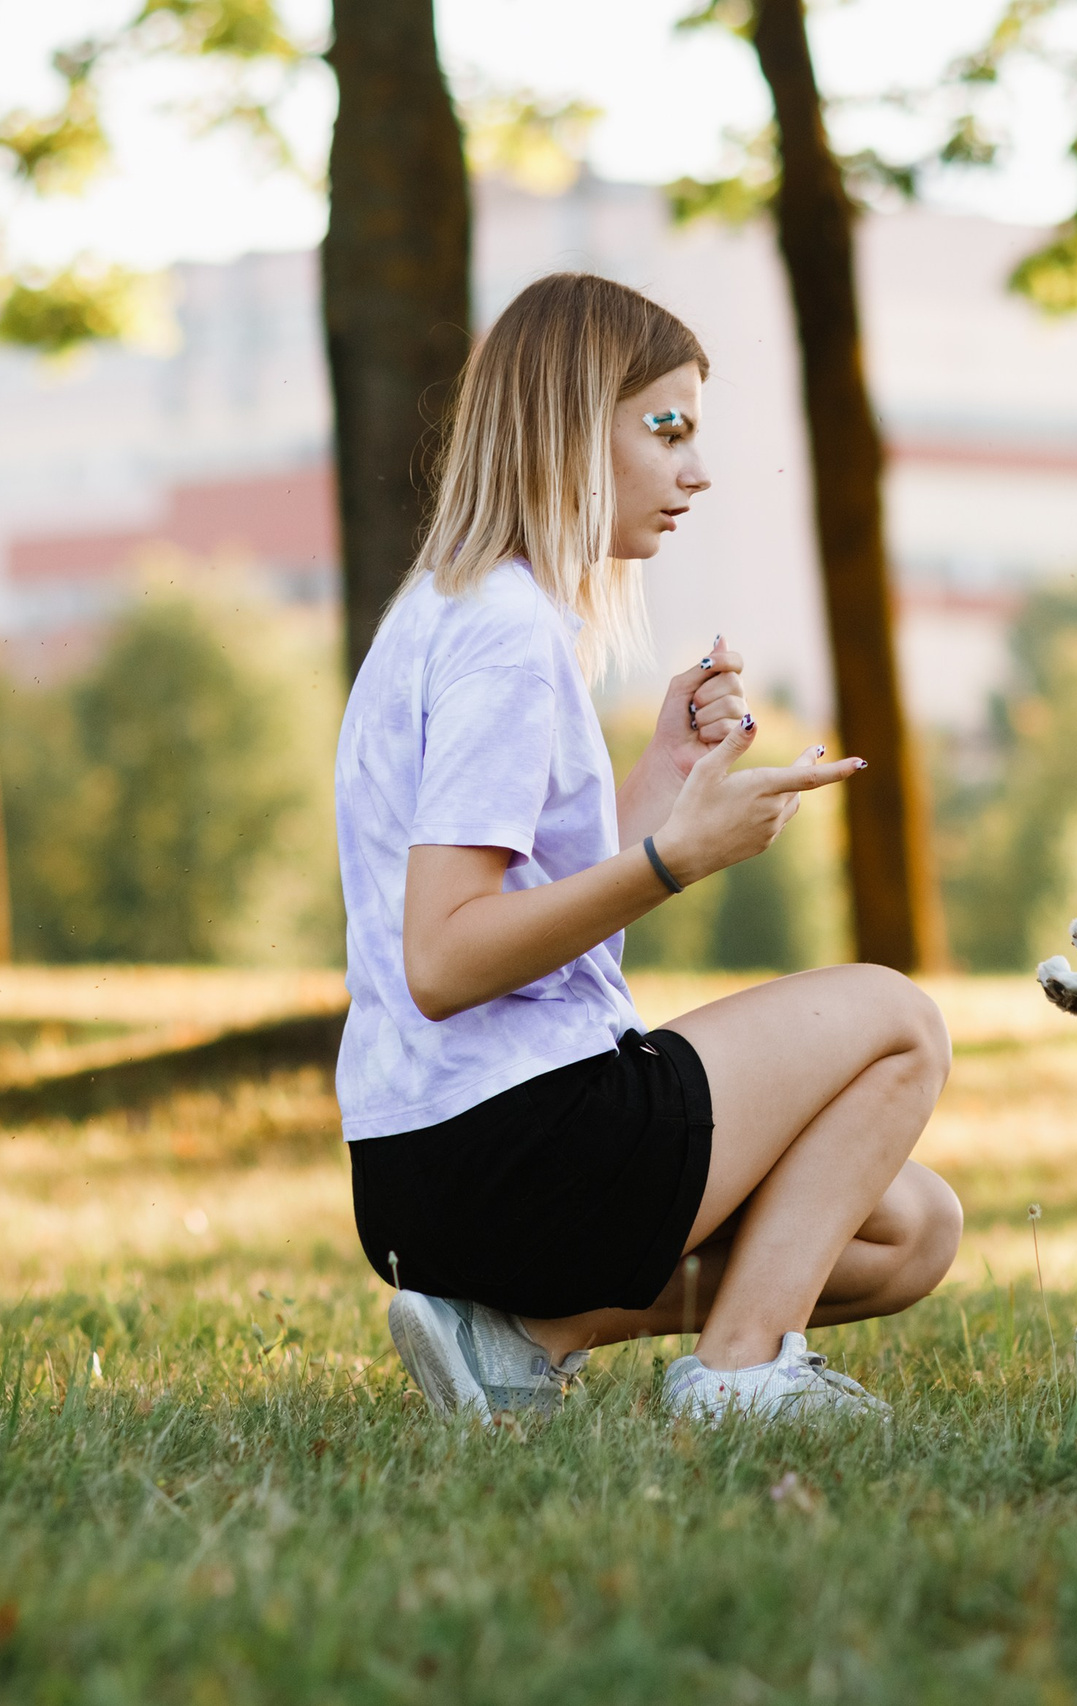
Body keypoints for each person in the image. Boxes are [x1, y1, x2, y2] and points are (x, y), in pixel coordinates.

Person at [335, 273, 961, 1424]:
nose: (696, 469)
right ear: (572, 428)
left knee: (909, 1227)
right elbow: (444, 955)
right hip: (508, 1138)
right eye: (664, 428)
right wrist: (680, 857)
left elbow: (519, 903)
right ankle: (740, 1375)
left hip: (427, 1165)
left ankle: (523, 1336)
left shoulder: (458, 609)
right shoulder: (505, 637)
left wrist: (659, 787)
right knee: (897, 1018)